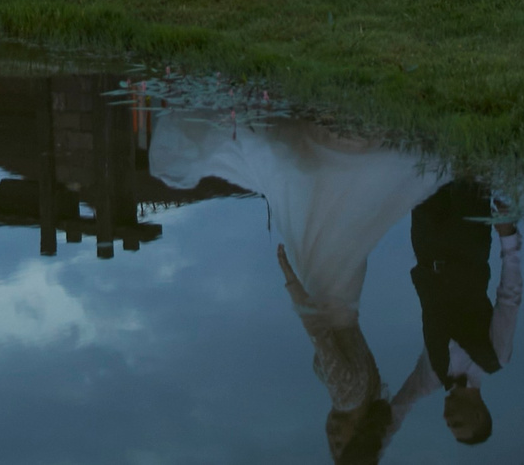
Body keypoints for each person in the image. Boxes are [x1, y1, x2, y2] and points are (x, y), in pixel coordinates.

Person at [149, 112, 443, 465]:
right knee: (313, 205)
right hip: (326, 291)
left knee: (331, 207)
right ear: (359, 436)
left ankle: (341, 134)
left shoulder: (369, 391)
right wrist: (291, 281)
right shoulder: (349, 397)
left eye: (331, 446)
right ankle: (329, 133)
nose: (333, 437)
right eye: (341, 444)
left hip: (345, 295)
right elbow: (318, 331)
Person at [390, 179, 523, 448]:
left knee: (424, 166)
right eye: (458, 423)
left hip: (426, 244)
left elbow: (398, 408)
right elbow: (509, 298)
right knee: (467, 172)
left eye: (449, 426)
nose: (448, 419)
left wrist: (364, 456)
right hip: (468, 244)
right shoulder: (497, 357)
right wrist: (507, 237)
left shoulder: (431, 376)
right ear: (477, 413)